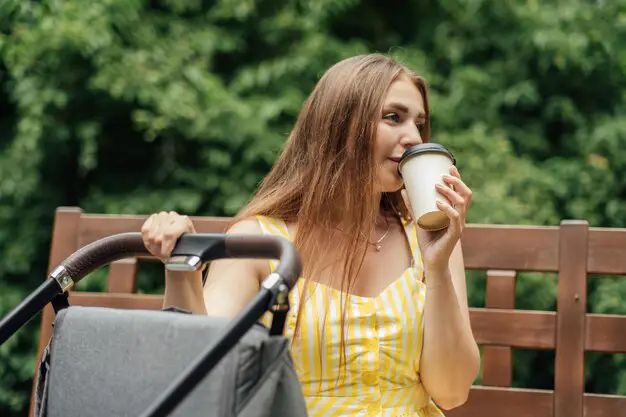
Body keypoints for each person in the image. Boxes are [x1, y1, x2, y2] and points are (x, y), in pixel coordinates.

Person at [141, 53, 480, 417]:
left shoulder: (430, 239)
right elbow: (199, 373)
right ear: (340, 125)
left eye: (419, 124)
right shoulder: (262, 242)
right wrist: (182, 264)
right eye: (393, 117)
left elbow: (451, 392)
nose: (413, 137)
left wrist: (438, 265)